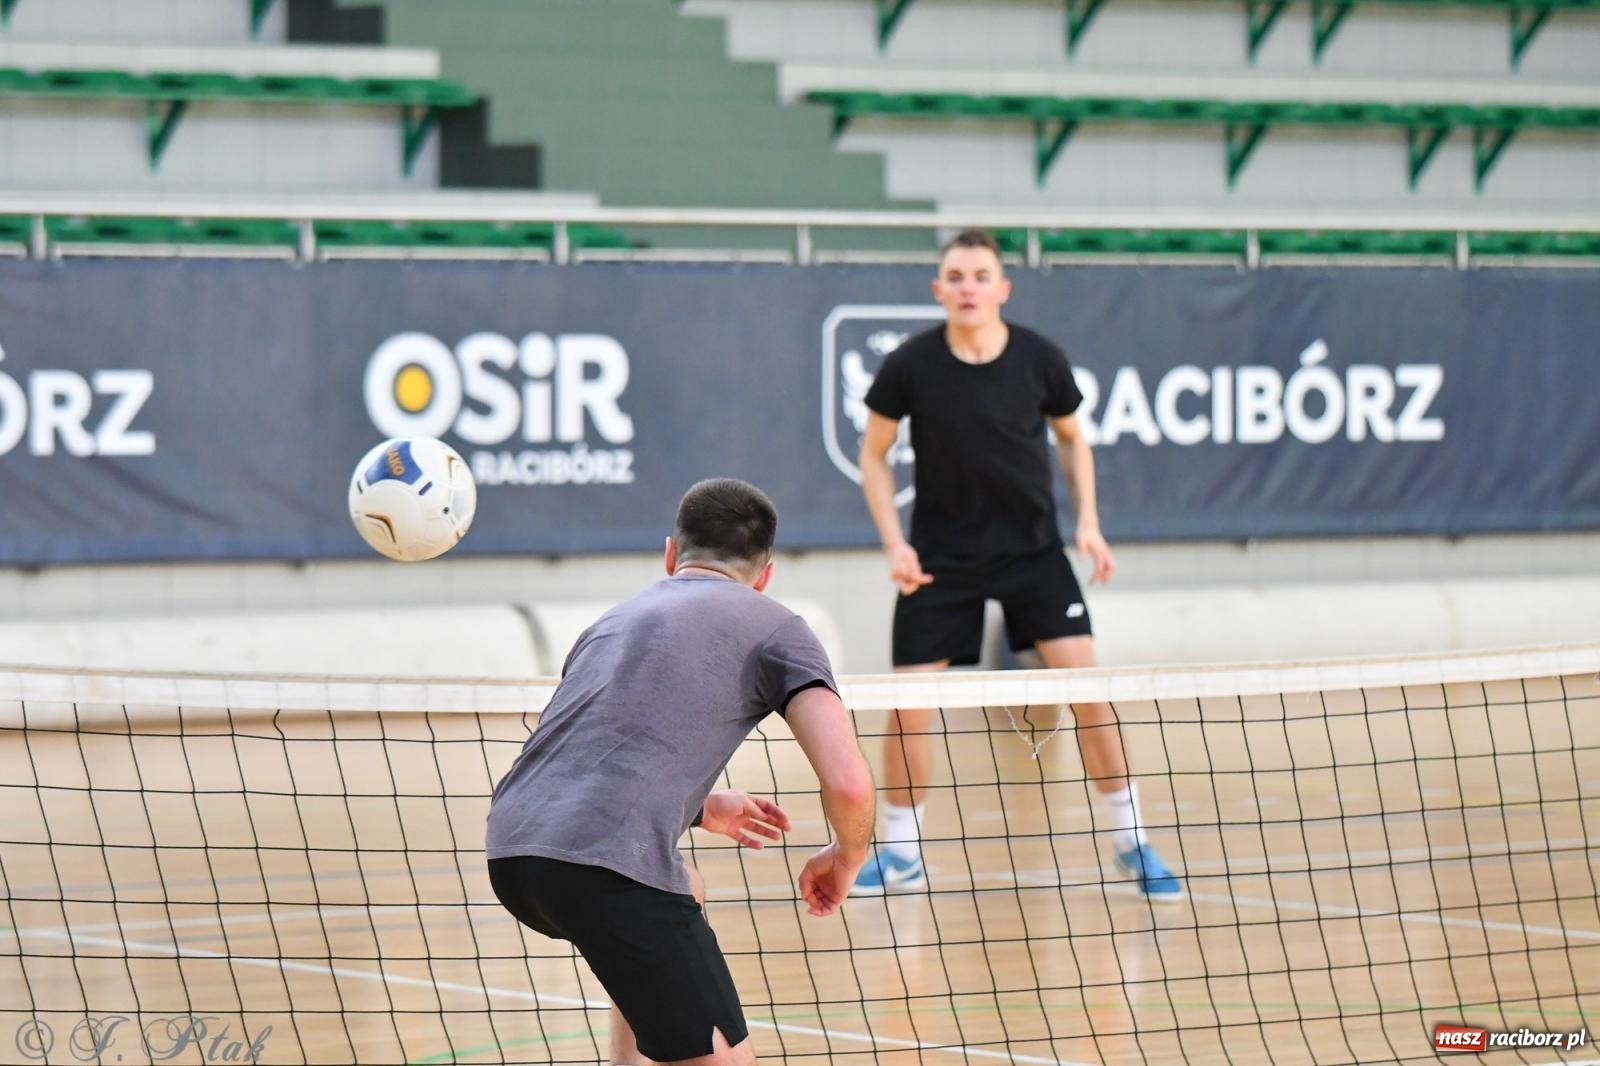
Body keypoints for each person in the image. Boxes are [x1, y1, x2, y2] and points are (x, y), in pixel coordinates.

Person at [486, 477, 876, 1066]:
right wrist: (845, 857)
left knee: (684, 885)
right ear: (766, 574)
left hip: (513, 854)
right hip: (605, 872)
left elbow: (587, 750)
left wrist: (699, 807)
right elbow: (848, 781)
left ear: (672, 554)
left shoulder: (613, 622)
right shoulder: (780, 628)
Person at [851, 228, 1182, 902]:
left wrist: (1088, 522)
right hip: (939, 561)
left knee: (1090, 696)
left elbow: (1072, 439)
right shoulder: (910, 366)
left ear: (1002, 288)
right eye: (956, 275)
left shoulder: (1040, 359)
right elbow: (874, 457)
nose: (968, 286)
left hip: (1034, 555)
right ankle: (901, 851)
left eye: (980, 275)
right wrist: (894, 542)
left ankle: (1131, 841)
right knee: (908, 706)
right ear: (939, 289)